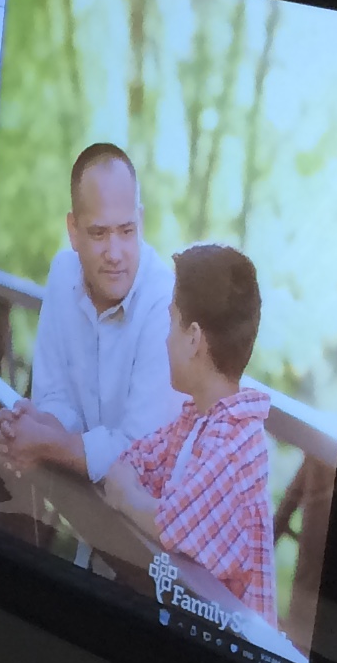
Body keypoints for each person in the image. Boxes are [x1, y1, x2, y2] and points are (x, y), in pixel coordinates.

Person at [99, 242, 278, 619]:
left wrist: (128, 498)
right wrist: (137, 496)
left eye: (171, 321)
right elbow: (130, 462)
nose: (165, 338)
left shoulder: (234, 443)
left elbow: (173, 525)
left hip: (233, 658)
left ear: (194, 337)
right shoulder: (198, 421)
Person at [0, 143, 180, 486]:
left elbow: (140, 457)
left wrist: (49, 442)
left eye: (126, 230)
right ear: (73, 231)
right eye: (98, 233)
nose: (115, 253)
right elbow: (53, 396)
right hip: (97, 510)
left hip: (160, 528)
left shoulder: (164, 307)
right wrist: (33, 426)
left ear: (141, 221)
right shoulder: (63, 274)